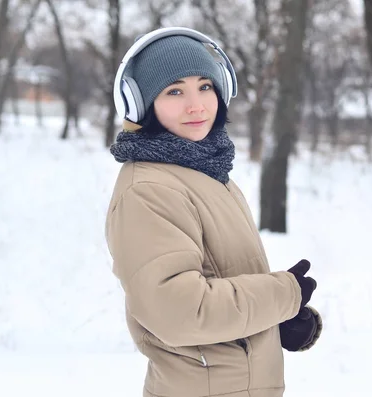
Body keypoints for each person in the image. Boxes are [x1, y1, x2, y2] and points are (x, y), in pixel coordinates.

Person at [104, 27, 323, 397]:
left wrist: (277, 321)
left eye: (205, 86)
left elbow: (223, 279)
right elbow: (180, 312)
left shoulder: (207, 174)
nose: (197, 105)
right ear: (140, 103)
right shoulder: (149, 190)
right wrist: (281, 295)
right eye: (174, 91)